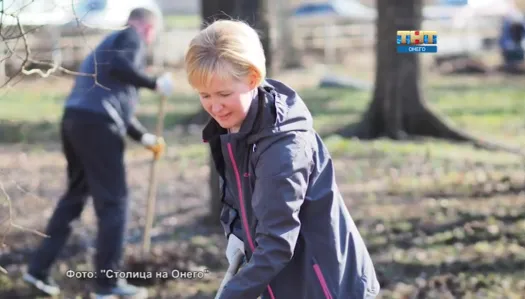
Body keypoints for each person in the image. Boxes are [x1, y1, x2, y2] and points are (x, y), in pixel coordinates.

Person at [185, 19, 380, 299]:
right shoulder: (237, 129)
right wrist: (237, 230)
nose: (214, 106)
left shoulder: (283, 148)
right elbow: (238, 194)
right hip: (285, 281)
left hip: (327, 288)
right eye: (204, 95)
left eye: (224, 94)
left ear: (252, 78)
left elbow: (276, 244)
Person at [23, 7, 172, 298]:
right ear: (147, 27)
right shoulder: (131, 37)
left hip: (75, 120)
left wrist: (143, 137)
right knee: (114, 202)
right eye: (152, 33)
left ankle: (37, 270)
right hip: (98, 126)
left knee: (75, 197)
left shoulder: (110, 45)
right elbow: (120, 69)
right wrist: (154, 83)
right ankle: (107, 284)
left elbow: (115, 101)